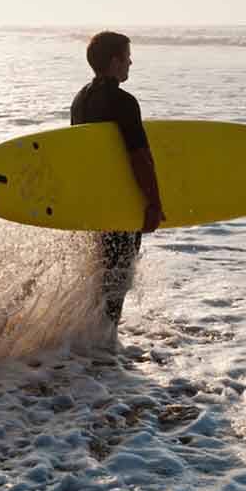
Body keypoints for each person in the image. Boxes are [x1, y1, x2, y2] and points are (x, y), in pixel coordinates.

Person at [70, 31, 164, 330]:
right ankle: (105, 348)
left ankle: (91, 344)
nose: (131, 63)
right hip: (121, 202)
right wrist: (153, 203)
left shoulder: (80, 100)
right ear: (114, 61)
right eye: (126, 57)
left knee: (100, 274)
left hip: (94, 203)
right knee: (117, 280)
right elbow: (139, 157)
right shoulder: (124, 102)